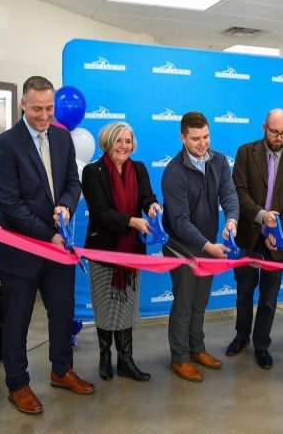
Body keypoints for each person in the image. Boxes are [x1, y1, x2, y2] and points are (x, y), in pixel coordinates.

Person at [0, 76, 94, 415]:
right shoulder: (4, 145)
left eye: (49, 108)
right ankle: (17, 384)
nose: (44, 115)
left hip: (57, 247)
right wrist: (49, 234)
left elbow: (73, 182)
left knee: (62, 314)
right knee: (17, 321)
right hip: (20, 250)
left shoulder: (62, 137)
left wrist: (65, 206)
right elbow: (10, 204)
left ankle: (61, 370)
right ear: (23, 104)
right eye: (37, 109)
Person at [161, 111, 239, 382]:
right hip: (181, 247)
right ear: (182, 138)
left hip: (208, 246)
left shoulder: (218, 161)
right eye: (195, 139)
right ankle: (179, 358)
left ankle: (197, 349)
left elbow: (228, 193)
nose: (202, 143)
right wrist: (208, 246)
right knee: (184, 302)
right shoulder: (173, 172)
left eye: (206, 136)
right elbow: (180, 222)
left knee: (200, 302)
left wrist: (231, 220)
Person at [82, 122, 161, 382]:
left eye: (128, 141)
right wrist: (131, 221)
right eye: (119, 141)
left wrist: (152, 207)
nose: (124, 146)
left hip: (131, 252)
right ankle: (105, 356)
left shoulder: (138, 169)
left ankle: (126, 360)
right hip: (104, 250)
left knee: (126, 307)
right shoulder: (93, 172)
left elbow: (147, 197)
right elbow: (100, 212)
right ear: (108, 142)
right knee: (105, 307)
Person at [225, 108, 283, 369]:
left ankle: (261, 345)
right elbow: (239, 192)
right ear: (264, 128)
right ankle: (241, 337)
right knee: (244, 293)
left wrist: (276, 230)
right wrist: (262, 217)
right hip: (249, 236)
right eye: (274, 131)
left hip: (277, 241)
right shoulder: (246, 153)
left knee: (269, 298)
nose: (279, 137)